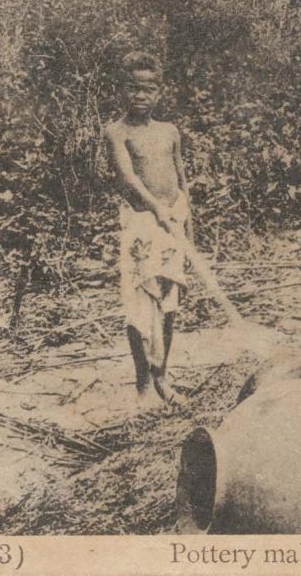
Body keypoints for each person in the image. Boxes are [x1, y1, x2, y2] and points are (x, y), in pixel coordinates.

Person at [105, 51, 193, 405]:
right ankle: (143, 383)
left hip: (173, 221)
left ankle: (162, 376)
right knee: (141, 303)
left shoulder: (169, 131)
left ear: (159, 93)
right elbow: (128, 178)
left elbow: (182, 180)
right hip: (143, 223)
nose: (140, 96)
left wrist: (188, 229)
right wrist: (156, 208)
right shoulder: (116, 132)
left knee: (169, 301)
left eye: (148, 89)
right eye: (133, 89)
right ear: (122, 91)